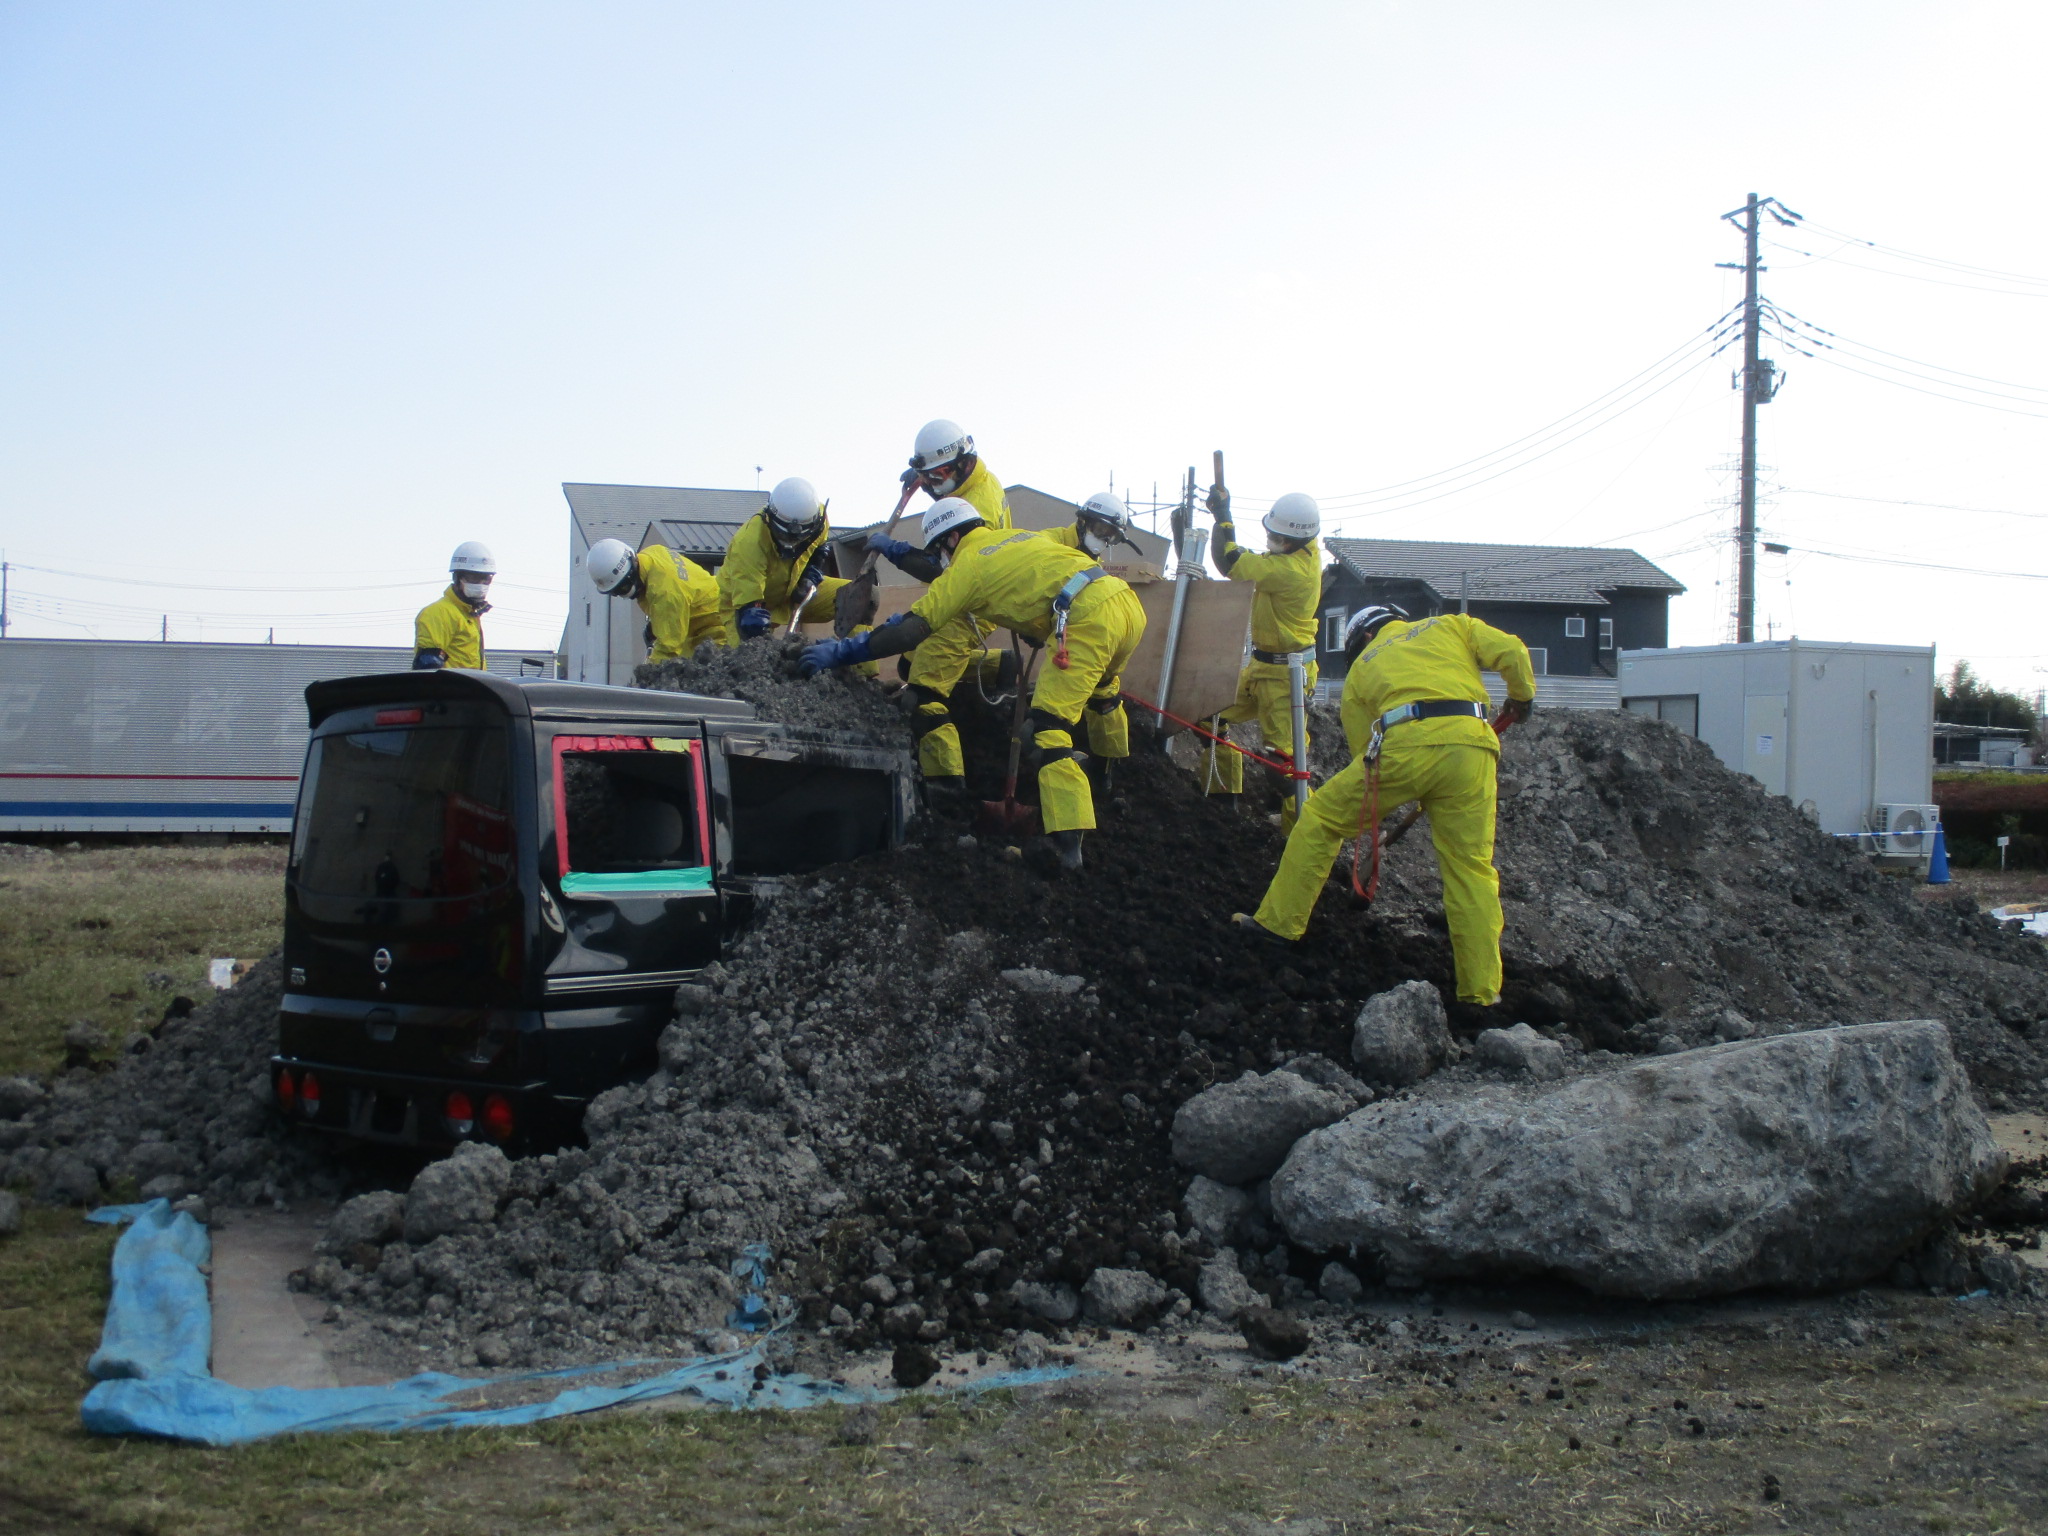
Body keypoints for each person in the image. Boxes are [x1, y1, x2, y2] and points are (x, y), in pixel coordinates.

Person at [799, 498, 1146, 871]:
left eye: (938, 552)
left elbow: (912, 631)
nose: (939, 562)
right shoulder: (1015, 537)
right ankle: (1108, 776)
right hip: (1125, 605)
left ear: (950, 540)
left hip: (1087, 620)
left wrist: (844, 651)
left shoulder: (969, 566)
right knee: (1104, 693)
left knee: (1045, 733)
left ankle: (1067, 849)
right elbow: (1042, 577)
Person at [1234, 603, 1535, 1007]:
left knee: (1322, 818)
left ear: (1364, 639)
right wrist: (1521, 699)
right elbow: (1514, 652)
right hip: (1473, 749)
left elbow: (1365, 755)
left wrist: (1385, 809)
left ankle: (1278, 927)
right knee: (1471, 871)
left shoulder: (1361, 670)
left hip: (1403, 743)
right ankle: (1480, 994)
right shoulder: (1451, 626)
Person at [863, 420, 1015, 791]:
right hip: (965, 593)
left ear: (964, 461)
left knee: (922, 695)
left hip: (971, 605)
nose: (935, 482)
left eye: (942, 473)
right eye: (929, 475)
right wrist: (927, 480)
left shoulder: (980, 502)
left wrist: (897, 553)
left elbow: (940, 567)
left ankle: (947, 786)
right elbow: (947, 495)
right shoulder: (973, 479)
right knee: (908, 662)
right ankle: (995, 668)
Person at [1199, 488, 1323, 825]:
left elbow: (1230, 561)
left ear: (1298, 540)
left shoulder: (1291, 570)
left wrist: (1222, 516)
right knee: (1208, 715)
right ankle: (1225, 798)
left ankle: (1303, 837)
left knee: (1285, 768)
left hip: (1287, 677)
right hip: (1262, 666)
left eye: (1278, 536)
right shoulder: (1291, 557)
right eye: (1270, 532)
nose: (1271, 539)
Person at [717, 477, 845, 641]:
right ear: (769, 517)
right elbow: (749, 608)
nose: (789, 543)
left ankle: (858, 665)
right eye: (783, 535)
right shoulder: (749, 543)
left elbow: (819, 549)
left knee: (856, 598)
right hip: (742, 604)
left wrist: (809, 576)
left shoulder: (820, 519)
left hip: (789, 594)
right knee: (746, 655)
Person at [585, 538, 722, 660]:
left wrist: (648, 674)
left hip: (717, 630)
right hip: (704, 617)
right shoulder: (653, 554)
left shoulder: (666, 594)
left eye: (622, 589)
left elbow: (668, 648)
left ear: (631, 574)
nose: (621, 595)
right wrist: (658, 622)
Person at [413, 541, 494, 670]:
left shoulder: (470, 615)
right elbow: (427, 666)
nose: (481, 584)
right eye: (474, 577)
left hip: (470, 689)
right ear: (457, 577)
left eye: (487, 579)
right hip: (451, 690)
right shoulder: (438, 613)